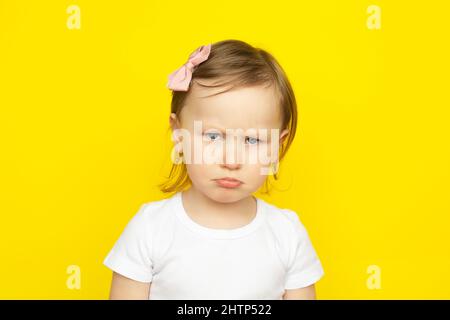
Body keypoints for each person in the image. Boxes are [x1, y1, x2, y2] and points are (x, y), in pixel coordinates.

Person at [103, 40, 324, 299]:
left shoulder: (287, 234)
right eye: (213, 136)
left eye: (252, 140)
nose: (231, 160)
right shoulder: (150, 229)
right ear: (179, 134)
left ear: (277, 145)